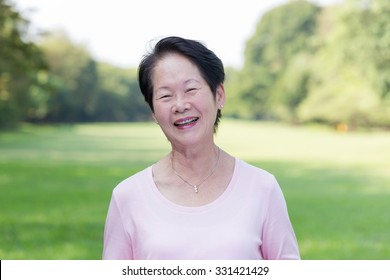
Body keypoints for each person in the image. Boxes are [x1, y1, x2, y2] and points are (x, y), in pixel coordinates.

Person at [102, 36, 300, 260]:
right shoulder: (128, 196)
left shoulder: (262, 187)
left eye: (191, 89)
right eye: (165, 95)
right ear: (153, 111)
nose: (180, 105)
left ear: (219, 95)